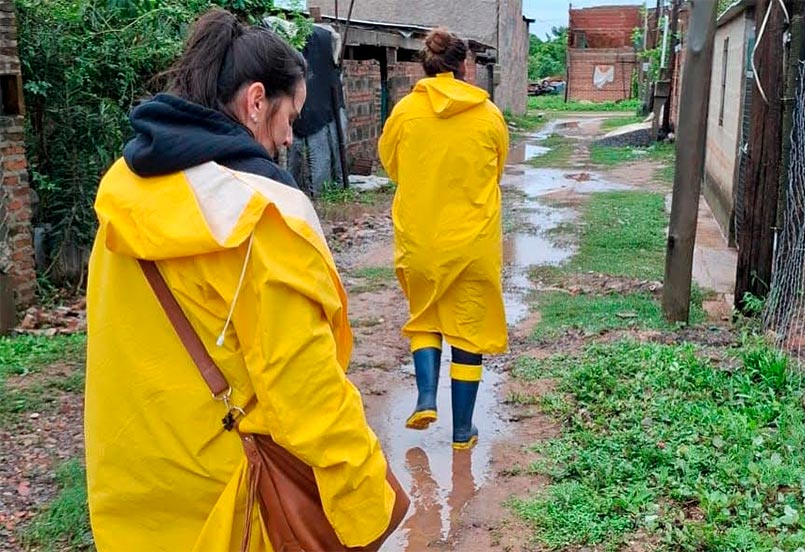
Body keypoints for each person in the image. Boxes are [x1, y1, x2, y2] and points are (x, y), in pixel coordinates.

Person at [85, 9, 399, 551]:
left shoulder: (123, 191)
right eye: (290, 116)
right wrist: (366, 498)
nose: (289, 137)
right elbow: (306, 388)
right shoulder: (261, 217)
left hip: (134, 492)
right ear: (256, 102)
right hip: (230, 502)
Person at [378, 27, 509, 450]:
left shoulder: (404, 113)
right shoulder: (488, 115)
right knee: (468, 330)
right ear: (465, 65)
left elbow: (391, 165)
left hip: (420, 239)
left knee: (425, 315)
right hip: (473, 242)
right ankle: (461, 431)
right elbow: (497, 168)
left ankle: (426, 397)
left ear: (426, 65)